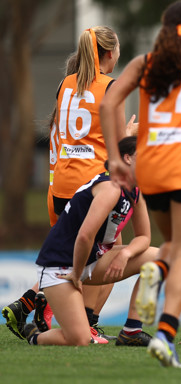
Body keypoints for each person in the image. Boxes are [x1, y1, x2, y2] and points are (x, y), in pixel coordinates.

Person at [100, 0, 181, 368]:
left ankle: (155, 270)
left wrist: (115, 156)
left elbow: (110, 102)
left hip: (151, 169)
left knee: (173, 244)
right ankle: (165, 335)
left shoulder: (143, 62)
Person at [3, 27, 125, 343]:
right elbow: (120, 144)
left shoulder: (64, 84)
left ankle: (29, 303)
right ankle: (86, 324)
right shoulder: (111, 88)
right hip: (90, 185)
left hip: (60, 184)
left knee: (73, 258)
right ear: (110, 53)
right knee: (110, 254)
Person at [22, 136, 158, 346]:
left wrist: (126, 253)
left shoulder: (135, 191)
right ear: (128, 159)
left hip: (89, 262)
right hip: (61, 266)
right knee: (80, 339)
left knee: (158, 258)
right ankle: (34, 337)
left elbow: (144, 237)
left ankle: (131, 331)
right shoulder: (111, 188)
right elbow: (85, 235)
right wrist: (77, 273)